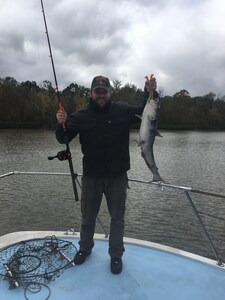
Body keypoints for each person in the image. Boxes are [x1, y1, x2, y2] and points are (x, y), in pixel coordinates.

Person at [55, 75, 158, 274]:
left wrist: (150, 92)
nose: (101, 95)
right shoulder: (80, 115)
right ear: (91, 93)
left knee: (117, 218)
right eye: (97, 91)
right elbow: (64, 138)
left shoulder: (123, 111)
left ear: (110, 92)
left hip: (117, 177)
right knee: (88, 217)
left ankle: (116, 256)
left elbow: (146, 111)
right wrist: (61, 123)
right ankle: (85, 249)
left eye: (104, 91)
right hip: (92, 176)